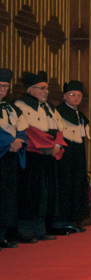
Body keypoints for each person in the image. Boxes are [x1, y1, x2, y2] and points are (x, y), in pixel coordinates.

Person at [14, 71, 67, 243]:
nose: (46, 92)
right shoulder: (21, 105)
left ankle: (40, 228)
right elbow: (28, 131)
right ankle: (25, 230)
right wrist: (47, 146)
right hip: (31, 155)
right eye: (42, 88)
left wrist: (57, 145)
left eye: (47, 88)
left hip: (48, 156)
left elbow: (59, 129)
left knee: (45, 193)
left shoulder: (50, 108)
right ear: (30, 90)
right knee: (29, 192)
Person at [54, 80, 90, 234]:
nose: (76, 98)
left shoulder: (81, 115)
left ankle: (74, 219)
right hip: (64, 157)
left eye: (79, 95)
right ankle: (62, 221)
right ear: (65, 96)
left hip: (78, 156)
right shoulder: (59, 112)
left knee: (77, 185)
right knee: (65, 185)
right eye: (72, 95)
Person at [0, 68, 28, 250]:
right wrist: (9, 142)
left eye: (6, 87)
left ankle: (3, 234)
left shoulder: (11, 108)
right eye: (0, 86)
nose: (3, 90)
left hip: (9, 157)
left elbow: (22, 128)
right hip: (2, 151)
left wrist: (19, 141)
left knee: (7, 196)